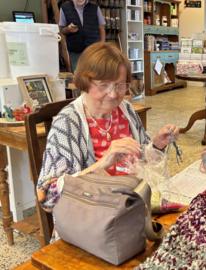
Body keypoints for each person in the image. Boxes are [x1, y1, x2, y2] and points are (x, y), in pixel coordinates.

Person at [36, 42, 179, 211]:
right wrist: (103, 163)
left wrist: (157, 145)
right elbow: (47, 198)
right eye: (103, 85)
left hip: (129, 207)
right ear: (85, 81)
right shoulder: (67, 124)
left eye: (119, 85)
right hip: (93, 219)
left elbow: (141, 159)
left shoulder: (125, 110)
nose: (113, 94)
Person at [59, 0, 106, 71]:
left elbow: (101, 28)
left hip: (93, 50)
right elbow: (62, 30)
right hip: (75, 51)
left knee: (95, 75)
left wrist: (102, 45)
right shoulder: (64, 8)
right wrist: (68, 29)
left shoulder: (95, 8)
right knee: (78, 76)